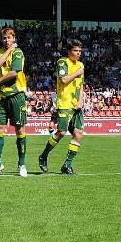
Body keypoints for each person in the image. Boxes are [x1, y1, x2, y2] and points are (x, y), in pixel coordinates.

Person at [39, 39, 85, 174]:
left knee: (78, 134)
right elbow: (64, 80)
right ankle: (43, 155)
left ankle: (67, 165)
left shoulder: (80, 64)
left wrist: (80, 101)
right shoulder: (62, 62)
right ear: (69, 51)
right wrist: (78, 72)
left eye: (80, 51)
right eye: (76, 51)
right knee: (62, 132)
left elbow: (81, 85)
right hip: (64, 103)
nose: (78, 53)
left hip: (76, 105)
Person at [0, 27, 28, 178]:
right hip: (0, 97)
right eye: (4, 38)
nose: (6, 40)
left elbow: (14, 72)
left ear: (14, 38)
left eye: (9, 38)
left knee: (20, 130)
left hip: (16, 94)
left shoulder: (19, 52)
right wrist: (8, 51)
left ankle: (22, 164)